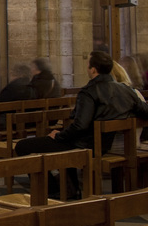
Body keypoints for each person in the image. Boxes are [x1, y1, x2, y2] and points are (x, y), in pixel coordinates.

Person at [16, 51, 148, 197]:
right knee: (59, 142)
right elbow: (145, 112)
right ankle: (70, 188)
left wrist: (59, 135)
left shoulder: (89, 91)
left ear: (93, 69)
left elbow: (80, 126)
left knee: (23, 146)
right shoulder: (126, 90)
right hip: (105, 144)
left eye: (87, 66)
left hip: (86, 144)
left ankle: (53, 191)